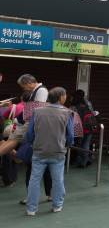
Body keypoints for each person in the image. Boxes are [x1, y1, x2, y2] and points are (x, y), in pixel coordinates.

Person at [25, 87, 74, 216]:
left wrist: (32, 144)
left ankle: (31, 209)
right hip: (58, 152)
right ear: (60, 97)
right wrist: (67, 145)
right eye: (65, 95)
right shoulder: (67, 113)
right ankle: (57, 205)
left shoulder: (37, 111)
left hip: (39, 151)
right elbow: (70, 136)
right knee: (58, 180)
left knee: (34, 180)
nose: (66, 97)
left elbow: (29, 133)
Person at [0, 74, 48, 157]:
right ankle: (18, 157)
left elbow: (39, 108)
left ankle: (18, 158)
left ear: (29, 83)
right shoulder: (36, 90)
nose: (24, 89)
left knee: (13, 140)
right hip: (25, 122)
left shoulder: (41, 90)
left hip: (28, 122)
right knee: (12, 140)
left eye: (23, 86)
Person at [70, 90, 96, 168]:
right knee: (86, 144)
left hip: (79, 128)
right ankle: (85, 161)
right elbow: (93, 113)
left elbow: (70, 117)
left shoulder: (73, 106)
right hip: (89, 127)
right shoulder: (88, 104)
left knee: (78, 145)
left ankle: (80, 161)